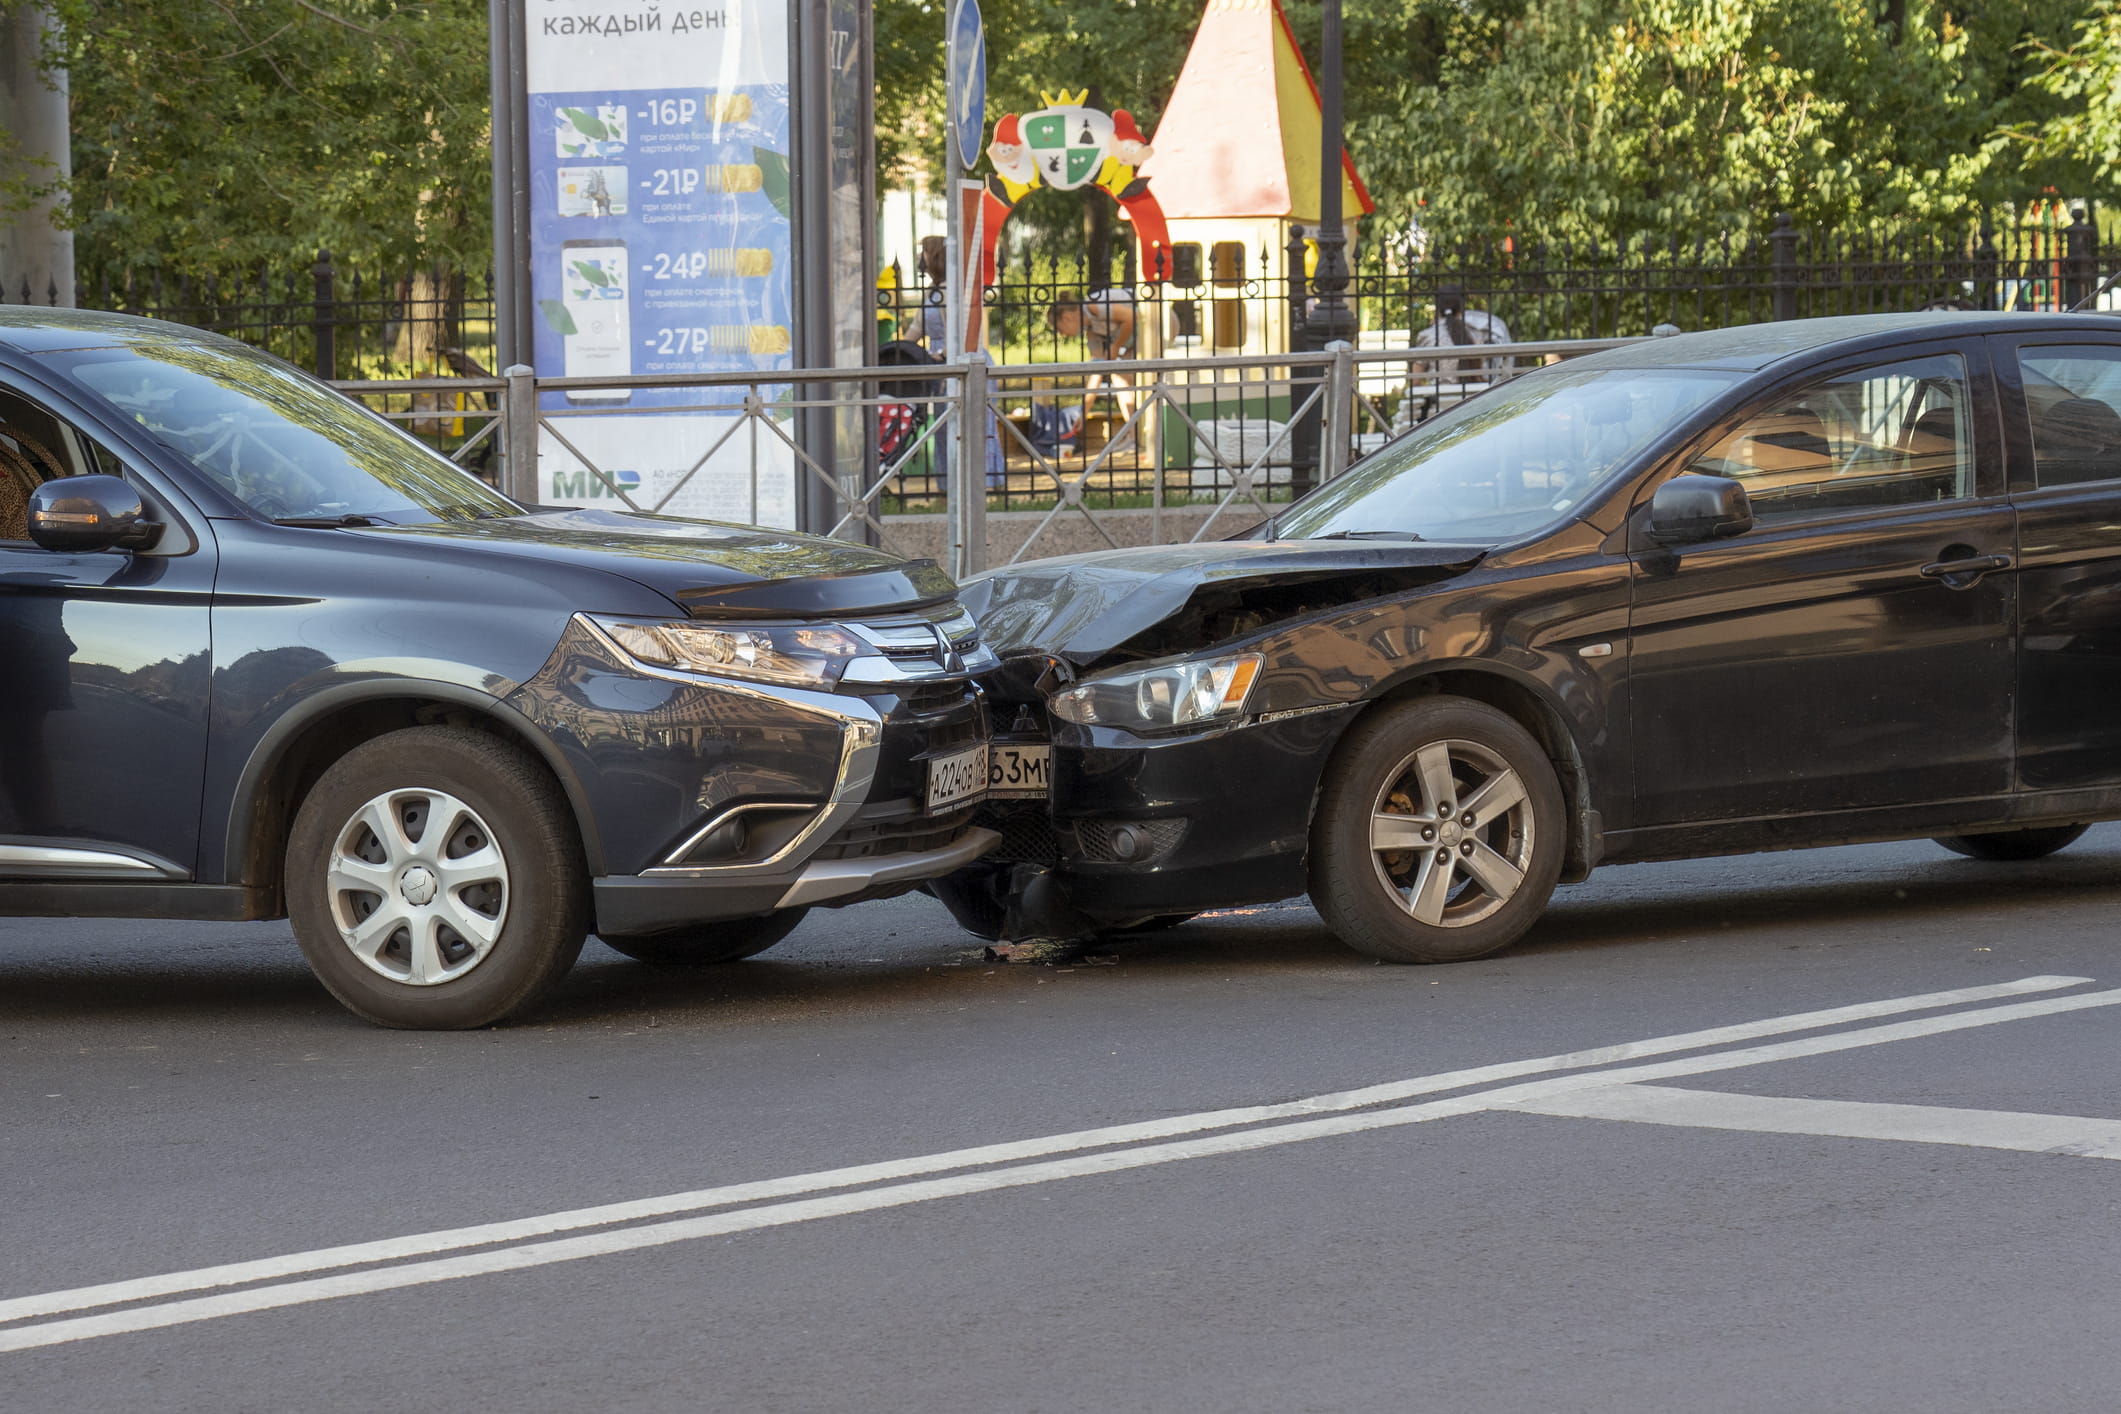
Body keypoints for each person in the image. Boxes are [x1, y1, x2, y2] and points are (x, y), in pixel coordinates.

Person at [1396, 286, 1513, 432]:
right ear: (1461, 308)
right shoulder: (1478, 334)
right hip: (1476, 414)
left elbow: (1415, 380)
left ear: (1437, 308)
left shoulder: (1428, 336)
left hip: (1439, 418)